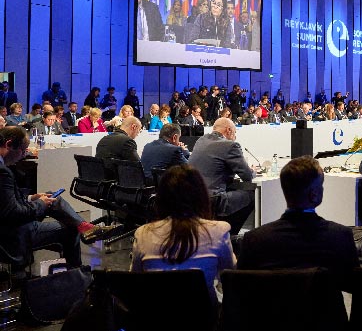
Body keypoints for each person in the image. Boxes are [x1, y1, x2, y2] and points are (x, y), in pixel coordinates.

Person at [0, 127, 118, 279]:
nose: (24, 155)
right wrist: (41, 204)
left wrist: (32, 198)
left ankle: (85, 227)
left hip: (8, 226)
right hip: (13, 234)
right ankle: (77, 277)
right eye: (23, 150)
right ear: (9, 144)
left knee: (53, 198)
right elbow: (13, 213)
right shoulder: (3, 172)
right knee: (70, 229)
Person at [237, 156, 359, 291]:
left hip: (274, 312)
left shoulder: (254, 240)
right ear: (314, 194)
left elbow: (242, 291)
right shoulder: (340, 236)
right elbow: (353, 285)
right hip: (324, 311)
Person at [131, 164, 235, 303]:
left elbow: (135, 279)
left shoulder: (142, 234)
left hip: (156, 318)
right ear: (202, 196)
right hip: (204, 318)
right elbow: (230, 275)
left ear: (161, 198)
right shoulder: (219, 231)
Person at [188, 118, 255, 235]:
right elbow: (247, 176)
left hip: (194, 198)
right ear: (229, 130)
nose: (235, 136)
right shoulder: (230, 145)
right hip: (214, 201)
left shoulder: (201, 140)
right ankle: (230, 234)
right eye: (235, 132)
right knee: (253, 195)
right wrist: (253, 171)